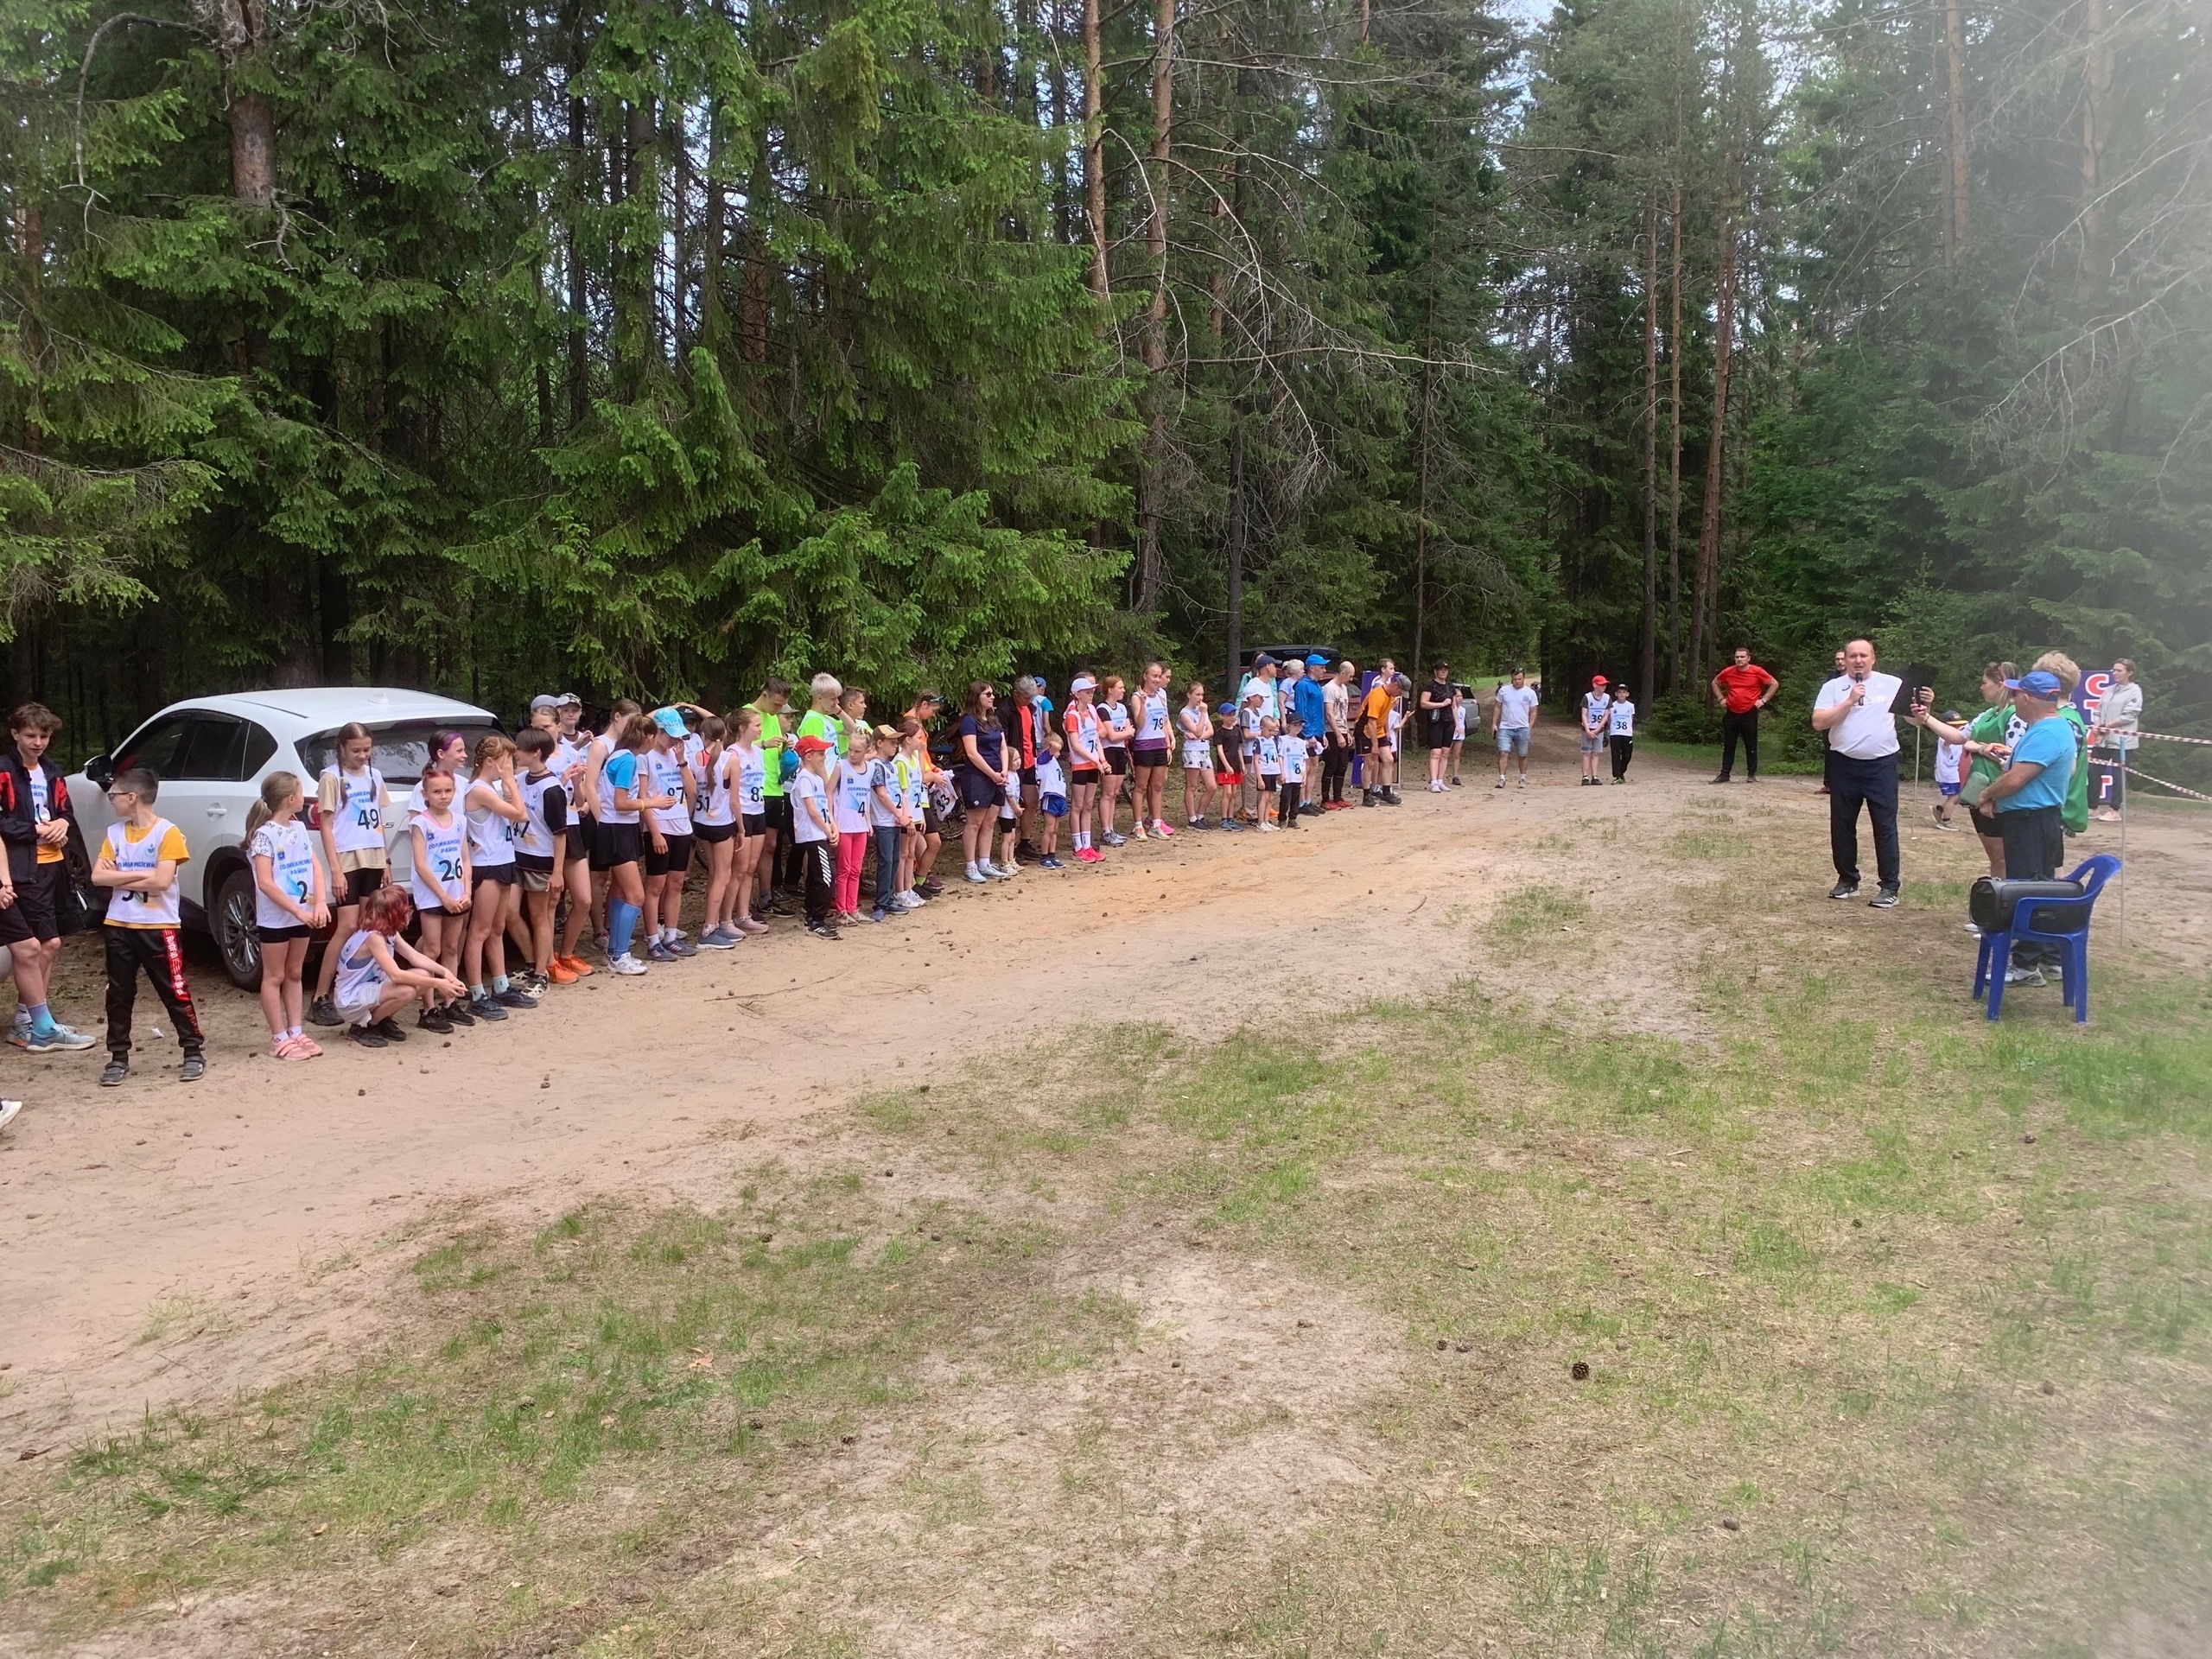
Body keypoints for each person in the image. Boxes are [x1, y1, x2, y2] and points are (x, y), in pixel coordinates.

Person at [89, 767, 206, 1085]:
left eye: (114, 795)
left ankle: (193, 1051)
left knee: (174, 989)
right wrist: (142, 876)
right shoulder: (114, 833)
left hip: (159, 926)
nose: (110, 800)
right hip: (119, 924)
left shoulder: (167, 833)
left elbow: (162, 881)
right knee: (118, 993)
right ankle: (118, 1057)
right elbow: (98, 877)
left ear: (132, 798)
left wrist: (121, 875)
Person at [1, 702, 94, 1052]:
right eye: (30, 735)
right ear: (14, 734)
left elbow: (65, 810)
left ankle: (31, 1019)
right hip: (21, 867)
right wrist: (35, 830)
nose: (38, 742)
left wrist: (62, 823)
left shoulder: (52, 771)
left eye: (44, 735)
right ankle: (31, 1022)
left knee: (51, 943)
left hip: (55, 865)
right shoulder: (4, 771)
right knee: (37, 945)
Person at [1980, 670, 2079, 986]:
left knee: (2028, 892)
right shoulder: (2046, 729)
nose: (2013, 699)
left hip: (2032, 821)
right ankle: (2050, 956)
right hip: (2035, 818)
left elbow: (2018, 778)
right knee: (2041, 886)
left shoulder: (2047, 732)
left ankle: (2026, 965)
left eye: (2016, 694)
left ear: (2028, 698)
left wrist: (1987, 793)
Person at [1812, 638, 1905, 907]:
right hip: (1844, 764)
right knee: (1842, 825)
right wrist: (1849, 701)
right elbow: (1818, 722)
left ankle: (1889, 886)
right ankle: (1847, 879)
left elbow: (1912, 717)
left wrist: (1925, 706)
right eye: (1853, 656)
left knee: (1885, 826)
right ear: (1846, 659)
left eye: (1864, 655)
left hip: (1881, 765)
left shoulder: (1891, 684)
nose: (1858, 660)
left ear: (1873, 659)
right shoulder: (1833, 687)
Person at [1913, 663, 2020, 891]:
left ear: (2000, 685)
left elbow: (2013, 761)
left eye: (1985, 683)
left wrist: (1979, 748)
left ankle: (2004, 907)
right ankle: (1996, 906)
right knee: (1995, 858)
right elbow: (1957, 736)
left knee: (2004, 859)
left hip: (1998, 795)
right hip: (1978, 793)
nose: (1981, 688)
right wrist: (1926, 717)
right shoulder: (1988, 714)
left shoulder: (2015, 716)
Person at [245, 771, 327, 1060]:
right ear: (291, 798)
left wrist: (319, 903)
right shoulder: (264, 837)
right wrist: (296, 910)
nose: (304, 796)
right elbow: (266, 882)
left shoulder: (300, 828)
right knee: (275, 975)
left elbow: (314, 866)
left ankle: (296, 1030)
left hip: (303, 914)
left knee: (295, 972)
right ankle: (278, 1037)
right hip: (276, 918)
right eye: (301, 791)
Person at [330, 886, 466, 1048]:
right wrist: (438, 984)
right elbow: (396, 975)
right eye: (405, 909)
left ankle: (381, 1019)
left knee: (426, 975)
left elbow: (414, 956)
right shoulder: (373, 937)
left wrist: (445, 972)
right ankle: (364, 1027)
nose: (409, 912)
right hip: (349, 999)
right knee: (407, 990)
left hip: (368, 988)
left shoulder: (386, 931)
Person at [407, 767, 474, 1022]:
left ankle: (451, 1000)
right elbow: (421, 864)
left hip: (457, 893)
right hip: (433, 896)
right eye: (436, 792)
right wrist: (442, 897)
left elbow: (465, 857)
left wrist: (467, 890)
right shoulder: (420, 823)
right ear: (425, 794)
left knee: (451, 946)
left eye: (447, 791)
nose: (443, 796)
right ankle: (428, 1006)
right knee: (432, 948)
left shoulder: (459, 820)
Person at [512, 727, 575, 979]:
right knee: (509, 912)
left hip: (540, 861)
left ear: (536, 752)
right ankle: (531, 961)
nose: (516, 753)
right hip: (517, 857)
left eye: (520, 749)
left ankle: (541, 972)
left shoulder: (552, 789)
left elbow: (561, 834)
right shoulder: (519, 780)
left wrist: (558, 872)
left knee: (540, 917)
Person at [596, 712, 657, 975]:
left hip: (620, 829)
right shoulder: (628, 760)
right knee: (636, 894)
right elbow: (621, 802)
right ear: (648, 737)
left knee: (621, 892)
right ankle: (620, 955)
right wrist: (650, 803)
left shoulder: (620, 756)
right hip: (617, 829)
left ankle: (615, 951)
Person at [640, 711, 696, 957]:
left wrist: (682, 761)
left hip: (682, 823)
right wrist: (654, 832)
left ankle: (671, 936)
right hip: (660, 826)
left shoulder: (678, 756)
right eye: (670, 736)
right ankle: (653, 939)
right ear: (658, 733)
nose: (675, 741)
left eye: (678, 737)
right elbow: (642, 798)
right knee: (656, 884)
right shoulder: (646, 758)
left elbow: (693, 791)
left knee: (676, 883)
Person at [956, 683, 1014, 882]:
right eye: (987, 694)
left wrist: (1004, 770)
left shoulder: (994, 719)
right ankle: (970, 866)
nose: (992, 697)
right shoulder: (968, 721)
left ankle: (984, 862)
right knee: (975, 822)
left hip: (998, 776)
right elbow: (972, 752)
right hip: (978, 776)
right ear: (977, 696)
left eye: (992, 694)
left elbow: (1003, 747)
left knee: (990, 822)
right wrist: (992, 774)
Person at [2031, 652, 2092, 838]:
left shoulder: (2064, 721)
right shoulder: (2069, 717)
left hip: (2058, 808)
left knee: (2050, 865)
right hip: (2057, 805)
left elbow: (2068, 768)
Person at [789, 734, 839, 937]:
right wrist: (827, 831)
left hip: (820, 831)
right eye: (820, 753)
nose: (824, 756)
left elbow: (824, 808)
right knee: (826, 877)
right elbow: (812, 810)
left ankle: (812, 914)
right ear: (808, 756)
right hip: (813, 834)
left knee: (817, 876)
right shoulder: (804, 779)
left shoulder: (817, 779)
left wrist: (833, 826)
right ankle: (817, 919)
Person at [750, 678, 792, 915]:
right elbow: (735, 746)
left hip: (775, 787)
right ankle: (747, 902)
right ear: (764, 694)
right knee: (752, 848)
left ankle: (766, 896)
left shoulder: (773, 718)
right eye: (776, 704)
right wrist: (764, 743)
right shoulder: (749, 712)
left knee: (771, 845)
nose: (778, 710)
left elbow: (776, 750)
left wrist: (786, 749)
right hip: (756, 790)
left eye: (782, 705)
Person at [1710, 646, 1780, 783]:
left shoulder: (1757, 671)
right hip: (1732, 712)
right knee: (1729, 744)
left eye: (1742, 657)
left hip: (1749, 711)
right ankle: (1725, 774)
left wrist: (1763, 700)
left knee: (1751, 744)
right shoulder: (1728, 672)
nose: (1739, 659)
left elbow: (1774, 684)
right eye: (1737, 657)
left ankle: (1751, 775)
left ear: (1748, 658)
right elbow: (1714, 683)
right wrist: (1721, 698)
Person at [1001, 677, 1049, 860]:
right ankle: (1009, 845)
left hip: (1028, 761)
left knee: (1031, 801)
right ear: (1016, 694)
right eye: (1026, 697)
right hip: (1014, 763)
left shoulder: (1030, 708)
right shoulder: (1005, 711)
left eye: (1031, 697)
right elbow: (1003, 740)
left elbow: (1030, 734)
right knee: (1012, 803)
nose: (1029, 700)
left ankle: (1024, 842)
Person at [1128, 661, 1176, 840]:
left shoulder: (1161, 694)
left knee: (1157, 786)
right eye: (1153, 676)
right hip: (1144, 745)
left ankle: (1156, 823)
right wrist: (1142, 702)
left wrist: (1168, 742)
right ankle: (1138, 825)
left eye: (1158, 676)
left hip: (1159, 744)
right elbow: (1139, 724)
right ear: (1145, 676)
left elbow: (1164, 720)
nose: (1156, 679)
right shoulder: (1136, 697)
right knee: (1141, 786)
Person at [2090, 658, 2141, 823]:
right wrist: (2098, 726)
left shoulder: (2134, 691)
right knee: (2094, 771)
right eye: (2114, 670)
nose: (2115, 673)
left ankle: (2114, 809)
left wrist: (2108, 726)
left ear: (2130, 673)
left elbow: (2129, 715)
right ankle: (2093, 808)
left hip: (2123, 741)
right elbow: (2097, 710)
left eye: (2119, 670)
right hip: (2104, 740)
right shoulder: (2109, 690)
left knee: (2119, 775)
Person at [831, 726, 874, 923]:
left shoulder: (870, 768)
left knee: (856, 869)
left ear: (866, 751)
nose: (853, 755)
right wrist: (832, 819)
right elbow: (829, 791)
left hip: (861, 825)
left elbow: (866, 796)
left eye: (858, 751)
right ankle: (841, 910)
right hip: (844, 825)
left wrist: (868, 822)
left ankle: (852, 907)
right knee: (844, 868)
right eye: (851, 750)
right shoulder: (841, 766)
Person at [1062, 675, 1106, 863]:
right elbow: (1075, 744)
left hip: (1093, 763)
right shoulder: (1072, 715)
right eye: (1087, 692)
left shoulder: (1092, 711)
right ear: (1077, 694)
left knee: (1088, 804)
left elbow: (1096, 738)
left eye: (1092, 691)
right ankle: (1078, 846)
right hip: (1081, 764)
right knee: (1078, 805)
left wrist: (1102, 760)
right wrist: (1094, 760)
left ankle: (1087, 845)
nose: (1091, 695)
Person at [1095, 674, 1133, 844]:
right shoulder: (1102, 709)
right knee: (1108, 793)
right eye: (1120, 687)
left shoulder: (1123, 708)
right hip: (1108, 751)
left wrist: (1123, 734)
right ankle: (1105, 830)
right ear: (1110, 690)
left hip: (1120, 751)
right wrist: (1125, 733)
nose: (1123, 690)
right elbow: (1111, 736)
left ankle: (1111, 828)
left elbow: (1126, 733)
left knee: (1115, 793)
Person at [1362, 663, 1401, 806]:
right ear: (1396, 686)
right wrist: (1374, 744)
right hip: (1366, 729)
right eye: (1400, 692)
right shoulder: (1378, 692)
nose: (1401, 695)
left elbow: (1384, 716)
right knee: (1370, 761)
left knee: (1388, 759)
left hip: (1379, 729)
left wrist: (1386, 732)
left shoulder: (1390, 695)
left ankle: (1386, 791)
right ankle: (1367, 794)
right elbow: (1371, 721)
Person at [1294, 656, 1331, 808]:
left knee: (1314, 765)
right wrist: (1308, 734)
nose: (1324, 670)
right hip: (1307, 732)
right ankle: (1301, 802)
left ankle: (1308, 799)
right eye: (1321, 667)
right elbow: (1301, 710)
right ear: (1312, 668)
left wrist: (1322, 734)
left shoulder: (1316, 685)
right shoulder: (1303, 686)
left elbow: (1319, 711)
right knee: (1306, 766)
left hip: (1317, 731)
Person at [1493, 667, 1539, 788]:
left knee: (1522, 754)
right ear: (1511, 679)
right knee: (1503, 752)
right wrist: (1494, 723)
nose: (1517, 681)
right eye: (1515, 679)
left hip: (1522, 727)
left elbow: (1533, 711)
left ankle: (1523, 777)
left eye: (1520, 679)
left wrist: (1529, 727)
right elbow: (1497, 707)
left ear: (1524, 678)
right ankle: (1502, 778)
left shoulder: (1530, 693)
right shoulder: (1503, 691)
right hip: (1505, 727)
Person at [1178, 683, 1215, 830]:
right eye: (1197, 694)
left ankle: (1200, 815)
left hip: (1203, 749)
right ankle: (1192, 818)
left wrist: (1199, 736)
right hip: (1191, 751)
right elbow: (1198, 731)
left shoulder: (1202, 711)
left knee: (1211, 786)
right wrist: (1202, 717)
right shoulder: (1185, 713)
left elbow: (1209, 730)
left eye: (1202, 695)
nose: (1200, 698)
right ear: (1189, 695)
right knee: (1192, 785)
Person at [1320, 660, 1355, 809]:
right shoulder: (1329, 688)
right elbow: (1329, 713)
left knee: (1343, 764)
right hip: (1331, 731)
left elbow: (1343, 712)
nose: (1351, 679)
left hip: (1342, 729)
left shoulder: (1344, 689)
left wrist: (1346, 731)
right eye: (1350, 676)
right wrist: (1338, 734)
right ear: (1343, 673)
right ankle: (1325, 799)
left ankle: (1338, 797)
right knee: (1332, 764)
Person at [1034, 734, 1069, 868]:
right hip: (1050, 796)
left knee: (1055, 829)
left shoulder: (1054, 762)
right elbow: (1054, 746)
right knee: (1049, 828)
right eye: (1058, 751)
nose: (1059, 754)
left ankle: (1052, 854)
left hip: (1059, 796)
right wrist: (1053, 746)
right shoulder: (1043, 759)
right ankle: (1044, 857)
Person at [1211, 703, 1247, 834]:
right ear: (1222, 716)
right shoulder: (1220, 732)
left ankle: (1230, 818)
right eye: (1229, 715)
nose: (1232, 717)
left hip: (1236, 765)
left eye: (1233, 714)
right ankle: (1224, 819)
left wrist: (1242, 765)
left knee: (1234, 793)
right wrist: (1226, 766)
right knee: (1228, 793)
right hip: (1226, 766)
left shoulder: (1237, 730)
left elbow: (1239, 748)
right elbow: (1220, 751)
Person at [1421, 663, 1457, 792]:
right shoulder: (1430, 685)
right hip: (1435, 721)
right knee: (1436, 752)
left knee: (1445, 752)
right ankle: (1434, 781)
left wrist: (1457, 724)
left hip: (1449, 722)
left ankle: (1441, 780)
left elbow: (1454, 706)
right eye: (1441, 670)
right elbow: (1423, 703)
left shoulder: (1450, 686)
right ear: (1435, 671)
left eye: (1445, 670)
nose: (1443, 672)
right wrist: (1441, 704)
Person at [1817, 647, 1847, 795]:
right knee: (1829, 751)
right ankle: (1828, 783)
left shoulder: (1856, 678)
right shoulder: (1831, 677)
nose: (1840, 662)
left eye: (1842, 659)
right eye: (1837, 659)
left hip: (1848, 720)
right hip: (1830, 718)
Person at [1931, 713, 1965, 829]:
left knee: (1957, 796)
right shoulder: (1944, 738)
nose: (1956, 729)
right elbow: (1948, 740)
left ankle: (1940, 809)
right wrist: (1959, 731)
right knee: (1953, 797)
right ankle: (1946, 820)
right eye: (1953, 727)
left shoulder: (1960, 738)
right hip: (1948, 772)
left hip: (1955, 771)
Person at [1278, 712, 1311, 827]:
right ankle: (1282, 818)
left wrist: (1305, 776)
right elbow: (1280, 757)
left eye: (1300, 725)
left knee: (1295, 797)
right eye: (1295, 725)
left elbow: (1304, 760)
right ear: (1289, 726)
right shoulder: (1283, 740)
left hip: (1298, 774)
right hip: (1288, 774)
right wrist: (1281, 773)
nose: (1297, 728)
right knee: (1285, 797)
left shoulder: (1302, 742)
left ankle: (1293, 818)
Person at [1579, 676, 1611, 785]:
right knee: (1587, 752)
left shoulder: (1607, 698)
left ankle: (1595, 776)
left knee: (1596, 753)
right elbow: (1584, 714)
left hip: (1599, 729)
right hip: (1587, 728)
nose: (1604, 687)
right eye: (1601, 684)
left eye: (1605, 684)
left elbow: (1606, 715)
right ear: (1595, 685)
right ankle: (1585, 776)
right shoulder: (1587, 697)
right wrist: (1588, 730)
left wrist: (1598, 729)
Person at [1255, 717, 1282, 830]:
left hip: (1273, 771)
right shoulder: (1258, 741)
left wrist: (1279, 772)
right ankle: (1260, 822)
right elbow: (1256, 761)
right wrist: (1259, 778)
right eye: (1269, 730)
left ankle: (1266, 820)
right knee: (1264, 797)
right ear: (1262, 728)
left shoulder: (1272, 740)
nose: (1272, 733)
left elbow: (1275, 757)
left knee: (1271, 797)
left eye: (1273, 730)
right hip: (1264, 772)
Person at [1607, 686, 1636, 782]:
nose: (1621, 694)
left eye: (1624, 692)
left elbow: (1630, 719)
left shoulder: (1630, 706)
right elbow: (1609, 718)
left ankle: (1621, 771)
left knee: (1627, 755)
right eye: (1619, 692)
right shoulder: (1612, 705)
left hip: (1627, 734)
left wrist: (1629, 729)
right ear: (1616, 694)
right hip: (1615, 733)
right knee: (1615, 755)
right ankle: (1617, 775)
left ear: (1627, 694)